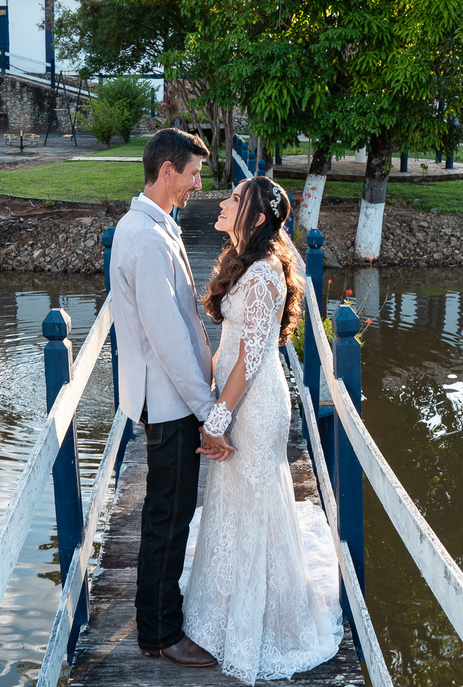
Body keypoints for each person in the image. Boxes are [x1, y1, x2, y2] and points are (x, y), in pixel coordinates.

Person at [183, 175, 343, 684]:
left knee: (252, 502)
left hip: (252, 404)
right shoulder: (246, 264)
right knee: (235, 503)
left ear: (255, 218)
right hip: (239, 396)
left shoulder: (266, 274)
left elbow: (251, 358)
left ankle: (263, 621)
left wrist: (216, 419)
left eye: (234, 199)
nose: (223, 202)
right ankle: (230, 605)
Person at [109, 128, 224, 667]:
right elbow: (167, 337)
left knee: (168, 513)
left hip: (170, 395)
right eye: (194, 173)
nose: (199, 183)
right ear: (167, 171)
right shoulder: (146, 238)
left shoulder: (154, 227)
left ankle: (161, 619)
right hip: (170, 401)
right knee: (167, 517)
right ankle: (159, 632)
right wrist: (208, 411)